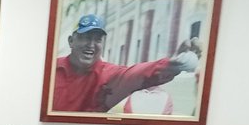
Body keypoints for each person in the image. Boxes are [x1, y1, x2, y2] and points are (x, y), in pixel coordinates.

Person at [52, 14, 203, 114]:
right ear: (71, 41)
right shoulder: (50, 70)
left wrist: (172, 64)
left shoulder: (107, 75)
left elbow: (136, 73)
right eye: (86, 37)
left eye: (97, 39)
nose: (91, 45)